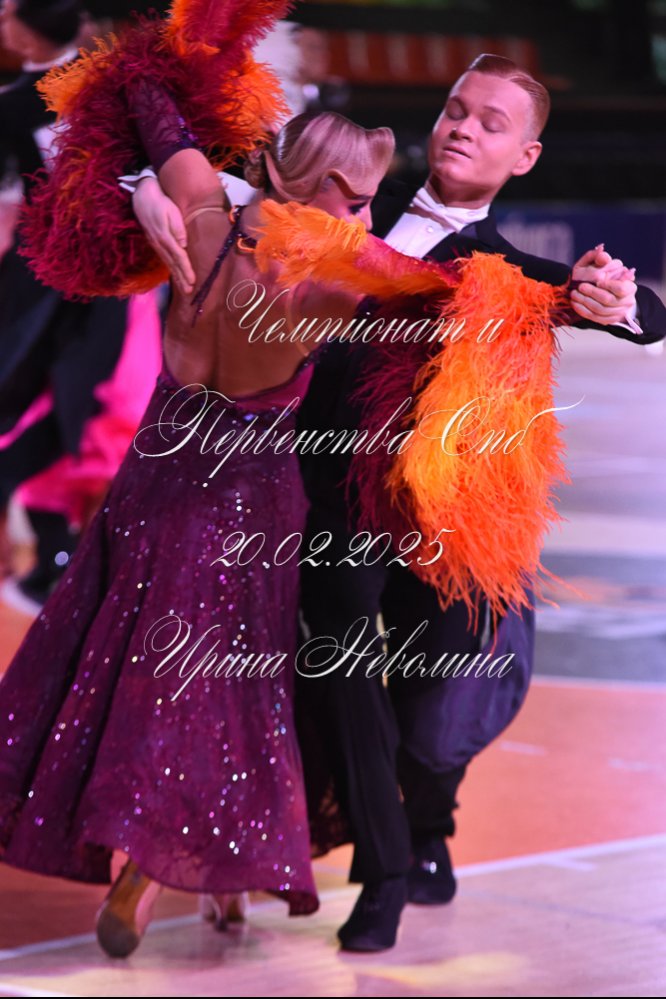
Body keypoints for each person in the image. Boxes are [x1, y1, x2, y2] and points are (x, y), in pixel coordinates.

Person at [134, 53, 666, 953]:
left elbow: (645, 316)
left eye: (491, 122)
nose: (464, 127)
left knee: (431, 710)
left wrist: (614, 300)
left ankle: (428, 825)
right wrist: (147, 184)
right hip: (326, 497)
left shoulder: (507, 270)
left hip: (439, 515)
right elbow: (224, 189)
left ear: (525, 158)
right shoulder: (350, 210)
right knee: (338, 678)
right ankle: (381, 875)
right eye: (457, 109)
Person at [0, 51, 396, 958]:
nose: (365, 217)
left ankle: (208, 878)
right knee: (225, 689)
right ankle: (164, 868)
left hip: (155, 479)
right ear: (332, 192)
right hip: (248, 502)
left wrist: (152, 175)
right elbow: (459, 296)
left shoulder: (203, 209)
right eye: (360, 200)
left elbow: (143, 91)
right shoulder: (343, 278)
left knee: (122, 658)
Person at [0, 0, 152, 608]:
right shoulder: (108, 89)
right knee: (84, 409)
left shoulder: (30, 102)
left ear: (25, 31)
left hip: (61, 281)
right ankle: (62, 561)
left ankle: (64, 562)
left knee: (73, 408)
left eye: (7, 12)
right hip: (106, 280)